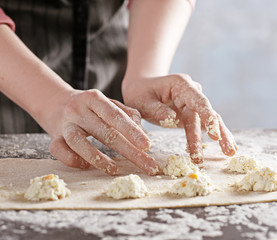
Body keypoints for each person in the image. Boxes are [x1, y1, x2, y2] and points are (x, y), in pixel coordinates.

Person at [0, 0, 237, 176]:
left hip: (109, 53)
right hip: (9, 67)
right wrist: (50, 100)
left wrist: (144, 74)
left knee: (109, 172)